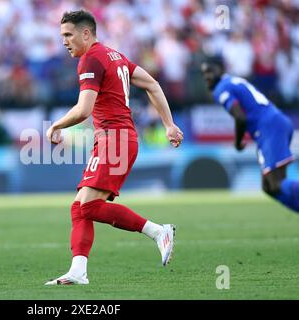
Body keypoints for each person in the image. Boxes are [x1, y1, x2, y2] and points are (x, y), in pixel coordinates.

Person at [45, 10, 183, 285]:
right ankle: (78, 271)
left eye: (68, 35)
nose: (64, 41)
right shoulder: (115, 56)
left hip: (115, 140)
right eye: (62, 36)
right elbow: (152, 84)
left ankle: (158, 231)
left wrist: (55, 125)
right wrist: (168, 123)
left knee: (88, 208)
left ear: (86, 33)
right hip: (116, 139)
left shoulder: (90, 59)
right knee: (79, 206)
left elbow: (84, 110)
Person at [201, 57, 299, 214]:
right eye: (204, 73)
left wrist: (238, 141)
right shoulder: (234, 81)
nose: (207, 76)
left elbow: (240, 117)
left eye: (210, 71)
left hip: (269, 128)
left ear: (221, 68)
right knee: (269, 187)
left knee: (276, 184)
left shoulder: (221, 88)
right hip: (275, 124)